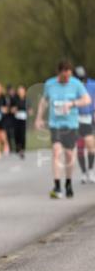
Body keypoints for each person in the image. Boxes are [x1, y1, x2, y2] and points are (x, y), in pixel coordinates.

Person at [36, 61, 91, 199]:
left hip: (71, 125)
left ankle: (68, 183)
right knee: (56, 151)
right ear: (59, 73)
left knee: (69, 155)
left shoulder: (76, 84)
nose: (67, 78)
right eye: (64, 76)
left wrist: (72, 103)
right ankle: (57, 185)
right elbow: (44, 101)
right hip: (56, 124)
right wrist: (39, 118)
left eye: (69, 75)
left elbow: (87, 99)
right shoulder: (50, 84)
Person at [75, 66, 95, 183]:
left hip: (89, 118)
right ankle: (83, 172)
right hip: (76, 120)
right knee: (80, 148)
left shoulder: (93, 84)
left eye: (82, 78)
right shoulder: (73, 86)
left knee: (91, 147)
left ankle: (91, 170)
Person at [11, 84, 29, 159]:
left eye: (22, 91)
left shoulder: (27, 100)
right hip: (16, 119)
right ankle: (17, 147)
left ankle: (22, 149)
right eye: (19, 91)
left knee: (22, 134)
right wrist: (13, 110)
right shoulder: (15, 99)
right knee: (16, 134)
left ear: (24, 92)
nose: (21, 92)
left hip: (24, 119)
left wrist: (29, 111)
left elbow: (30, 110)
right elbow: (11, 109)